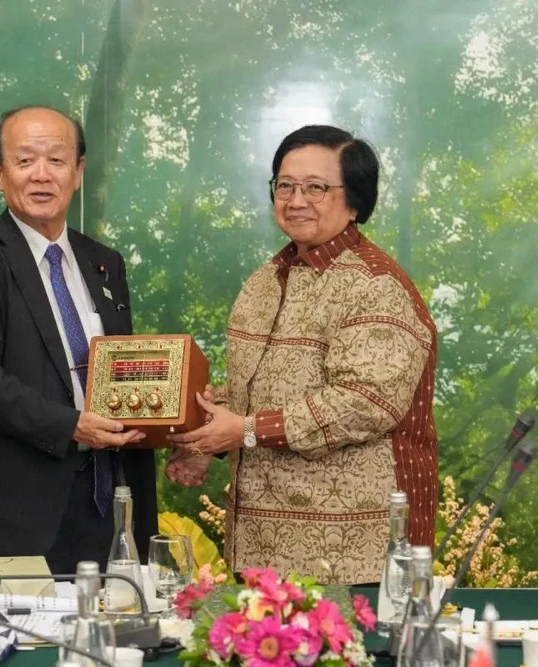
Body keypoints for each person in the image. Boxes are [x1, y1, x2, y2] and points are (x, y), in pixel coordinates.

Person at [167, 125, 438, 585]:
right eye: (285, 185)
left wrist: (246, 430)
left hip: (357, 554)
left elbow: (365, 404)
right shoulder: (264, 280)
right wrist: (203, 441)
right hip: (259, 549)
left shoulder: (375, 285)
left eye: (316, 188)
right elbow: (249, 392)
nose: (296, 200)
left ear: (354, 200)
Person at [0, 106, 157, 573]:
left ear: (78, 172)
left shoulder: (104, 262)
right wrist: (70, 424)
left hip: (109, 505)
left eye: (56, 160)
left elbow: (119, 369)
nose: (41, 175)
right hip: (15, 513)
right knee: (20, 642)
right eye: (25, 160)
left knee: (112, 636)